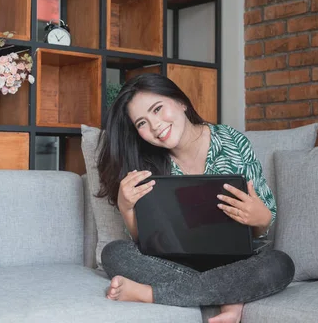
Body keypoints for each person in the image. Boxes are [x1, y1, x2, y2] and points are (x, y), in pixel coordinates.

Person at [96, 73, 295, 323]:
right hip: (175, 262)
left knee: (280, 264)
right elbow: (146, 243)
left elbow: (263, 223)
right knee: (114, 253)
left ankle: (149, 294)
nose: (155, 125)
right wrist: (126, 207)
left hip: (236, 261)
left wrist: (261, 218)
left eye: (158, 109)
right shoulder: (146, 164)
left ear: (181, 102)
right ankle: (230, 297)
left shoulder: (232, 141)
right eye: (142, 123)